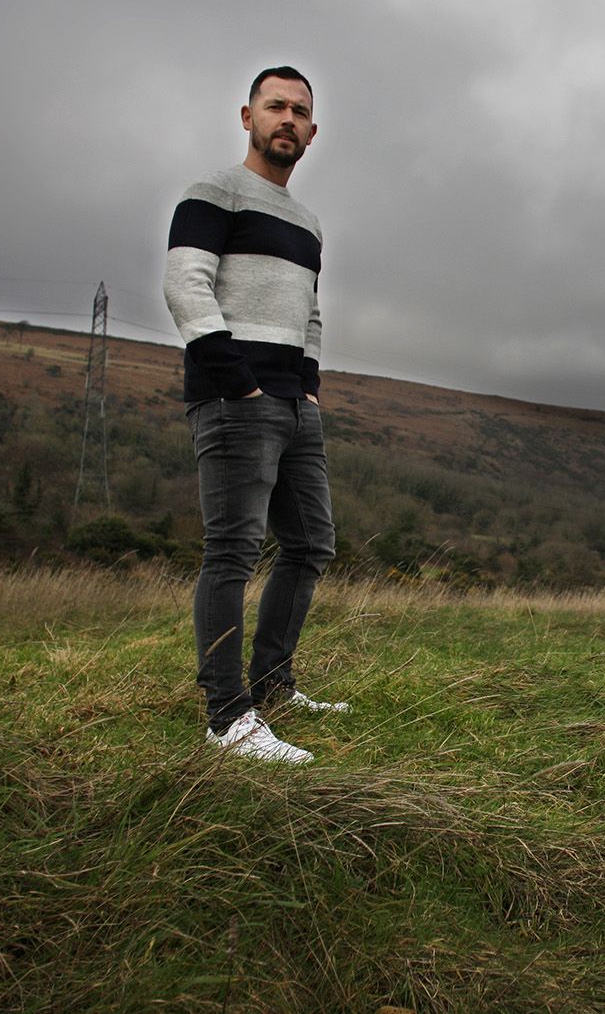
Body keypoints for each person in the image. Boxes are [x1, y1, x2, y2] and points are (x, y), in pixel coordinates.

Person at [162, 65, 348, 764]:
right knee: (233, 552)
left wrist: (306, 388)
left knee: (309, 544)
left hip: (293, 406)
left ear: (313, 130)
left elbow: (311, 311)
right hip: (234, 399)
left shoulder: (308, 221)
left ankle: (270, 684)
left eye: (301, 111)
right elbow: (186, 282)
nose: (288, 119)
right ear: (247, 116)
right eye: (276, 106)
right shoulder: (213, 192)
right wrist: (236, 381)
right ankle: (228, 716)